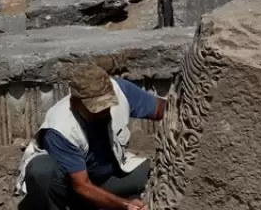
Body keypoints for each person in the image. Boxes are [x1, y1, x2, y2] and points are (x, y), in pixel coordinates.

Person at [16, 62, 167, 210]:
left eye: (107, 105)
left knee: (162, 173)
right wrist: (126, 205)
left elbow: (163, 110)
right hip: (70, 187)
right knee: (42, 171)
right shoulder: (60, 128)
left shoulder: (121, 90)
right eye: (95, 108)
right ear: (75, 102)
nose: (103, 112)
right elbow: (82, 185)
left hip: (107, 175)